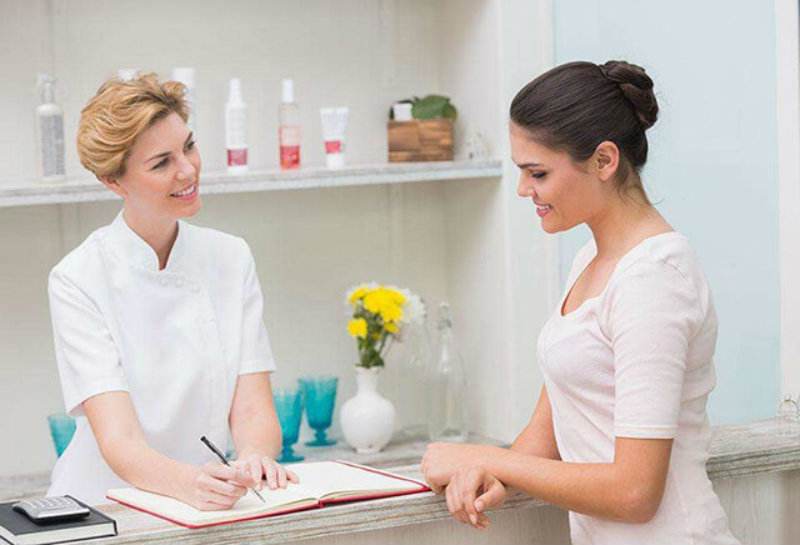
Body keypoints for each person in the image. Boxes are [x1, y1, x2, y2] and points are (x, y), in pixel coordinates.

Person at [421, 60, 740, 545]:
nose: (524, 190)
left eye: (538, 172)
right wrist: (489, 474)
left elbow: (635, 491)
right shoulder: (591, 260)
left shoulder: (654, 279)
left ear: (604, 160)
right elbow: (545, 436)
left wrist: (484, 457)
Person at [47, 73, 297, 508]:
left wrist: (255, 458)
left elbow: (253, 408)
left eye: (189, 146)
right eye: (161, 163)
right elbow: (120, 440)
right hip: (105, 506)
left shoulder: (231, 257)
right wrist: (189, 484)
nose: (188, 169)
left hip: (209, 505)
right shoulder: (78, 279)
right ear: (113, 181)